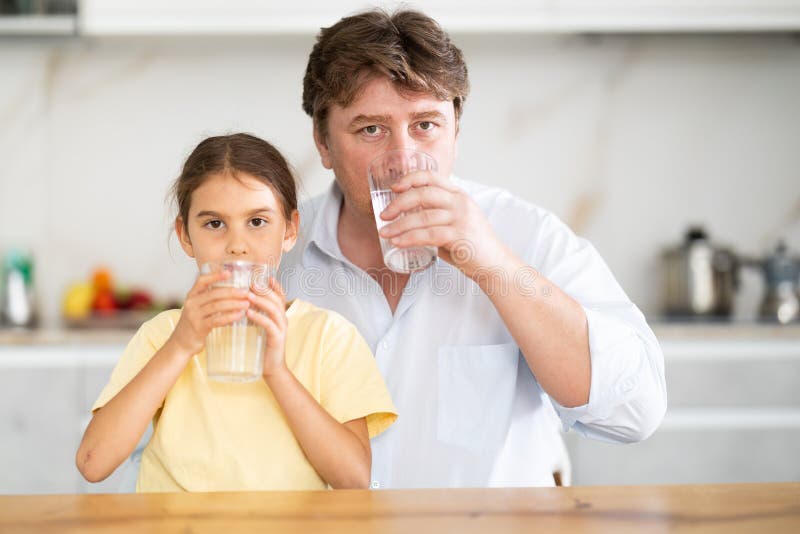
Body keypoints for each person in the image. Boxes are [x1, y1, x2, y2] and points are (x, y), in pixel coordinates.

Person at [280, 9, 667, 488]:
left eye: (425, 125)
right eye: (371, 130)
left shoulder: (527, 235)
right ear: (322, 142)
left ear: (455, 131)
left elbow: (635, 413)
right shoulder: (271, 254)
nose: (402, 160)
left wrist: (491, 263)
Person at [76, 133, 397, 492]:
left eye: (257, 222)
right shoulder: (163, 335)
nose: (237, 246)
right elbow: (94, 463)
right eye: (214, 224)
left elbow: (354, 479)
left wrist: (277, 371)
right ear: (185, 236)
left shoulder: (328, 336)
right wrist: (180, 346)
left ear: (290, 230)